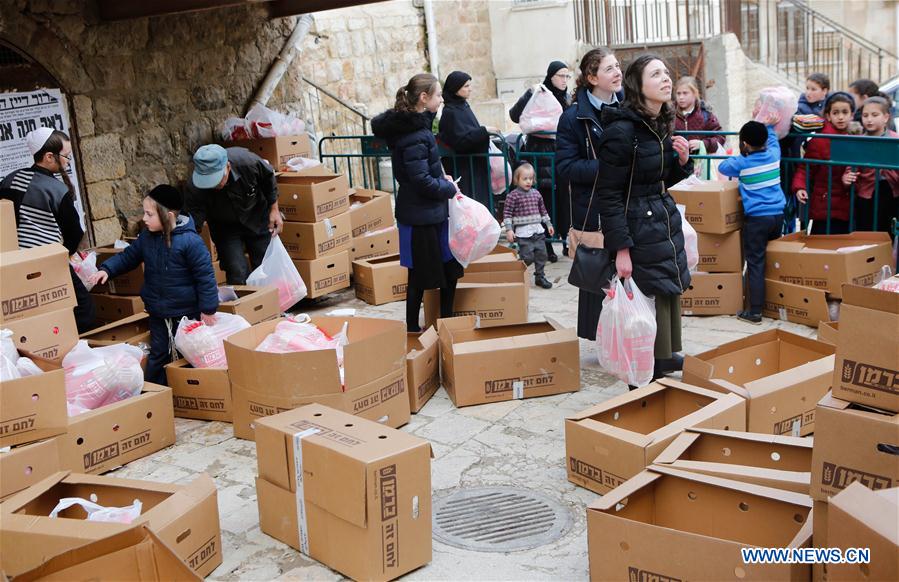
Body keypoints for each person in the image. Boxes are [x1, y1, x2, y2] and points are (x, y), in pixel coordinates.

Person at [593, 54, 693, 385]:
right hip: (636, 226)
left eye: (666, 72)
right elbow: (608, 194)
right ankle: (640, 374)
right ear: (639, 85)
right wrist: (621, 248)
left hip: (659, 220)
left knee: (664, 291)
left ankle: (661, 356)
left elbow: (659, 178)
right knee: (644, 296)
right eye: (656, 74)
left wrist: (681, 161)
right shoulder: (622, 132)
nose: (666, 79)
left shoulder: (660, 123)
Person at [90, 185, 218, 386]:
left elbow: (205, 277)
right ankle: (156, 392)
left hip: (186, 313)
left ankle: (192, 389)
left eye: (149, 214)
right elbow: (128, 257)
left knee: (190, 352)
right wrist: (106, 269)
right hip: (158, 312)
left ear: (167, 216)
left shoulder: (190, 242)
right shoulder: (146, 239)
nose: (144, 218)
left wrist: (208, 309)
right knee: (159, 353)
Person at [371, 74, 463, 332]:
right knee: (420, 277)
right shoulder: (414, 134)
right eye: (438, 95)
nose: (442, 99)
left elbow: (424, 171)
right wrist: (448, 187)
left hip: (430, 213)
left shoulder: (418, 127)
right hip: (421, 216)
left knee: (448, 271)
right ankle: (413, 328)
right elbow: (420, 180)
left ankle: (445, 323)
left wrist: (440, 176)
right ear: (424, 98)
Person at [555, 47, 624, 341]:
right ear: (593, 77)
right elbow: (566, 167)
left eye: (618, 66)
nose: (618, 72)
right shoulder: (573, 118)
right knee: (596, 274)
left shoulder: (627, 107)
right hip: (593, 207)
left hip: (624, 203)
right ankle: (598, 337)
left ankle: (626, 333)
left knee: (627, 270)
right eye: (610, 69)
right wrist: (606, 166)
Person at [0, 128, 95, 333]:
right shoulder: (56, 189)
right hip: (48, 262)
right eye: (66, 156)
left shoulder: (9, 179)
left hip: (13, 264)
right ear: (49, 157)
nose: (68, 161)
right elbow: (74, 232)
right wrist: (63, 254)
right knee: (83, 312)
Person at [718, 118, 786, 325]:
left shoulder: (742, 162)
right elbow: (773, 140)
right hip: (778, 216)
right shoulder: (774, 155)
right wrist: (769, 125)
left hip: (756, 220)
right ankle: (776, 303)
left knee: (756, 263)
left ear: (745, 143)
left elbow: (723, 166)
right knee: (773, 260)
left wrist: (743, 152)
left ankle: (755, 311)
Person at [184, 144, 283, 285]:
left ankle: (269, 304)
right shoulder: (195, 187)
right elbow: (194, 220)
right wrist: (187, 245)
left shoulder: (248, 163)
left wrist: (274, 209)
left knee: (265, 266)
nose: (215, 185)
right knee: (236, 270)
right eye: (209, 182)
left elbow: (268, 180)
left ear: (228, 167)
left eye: (218, 178)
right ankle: (244, 305)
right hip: (224, 227)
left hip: (256, 216)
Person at [510, 60, 572, 261]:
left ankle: (566, 243)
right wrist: (529, 94)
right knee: (543, 201)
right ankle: (547, 248)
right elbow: (515, 115)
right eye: (560, 76)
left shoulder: (567, 98)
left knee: (564, 201)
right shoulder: (538, 93)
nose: (564, 80)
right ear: (550, 76)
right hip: (540, 156)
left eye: (566, 76)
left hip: (560, 155)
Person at [792, 92, 856, 234]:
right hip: (825, 204)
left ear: (852, 114)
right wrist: (800, 187)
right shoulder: (821, 140)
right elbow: (805, 167)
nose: (840, 117)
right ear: (828, 116)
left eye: (845, 112)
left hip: (847, 205)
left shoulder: (856, 136)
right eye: (836, 113)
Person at [842, 96, 899, 232]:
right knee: (866, 230)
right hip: (866, 194)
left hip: (892, 193)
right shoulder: (859, 142)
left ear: (886, 117)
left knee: (889, 231)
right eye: (865, 115)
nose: (869, 119)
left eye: (874, 115)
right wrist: (846, 178)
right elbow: (850, 168)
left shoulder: (895, 140)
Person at [438, 71, 492, 207]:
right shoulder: (450, 112)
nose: (470, 89)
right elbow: (460, 141)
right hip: (463, 170)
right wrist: (484, 131)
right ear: (456, 88)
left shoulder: (463, 106)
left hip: (474, 167)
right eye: (466, 86)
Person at [503, 163, 554, 289]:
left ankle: (540, 277)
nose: (528, 181)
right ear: (517, 179)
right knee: (528, 257)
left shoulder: (536, 194)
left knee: (542, 255)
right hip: (523, 233)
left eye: (530, 179)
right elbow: (507, 214)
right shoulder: (513, 196)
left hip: (538, 231)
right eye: (525, 179)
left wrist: (548, 224)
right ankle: (518, 269)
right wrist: (509, 230)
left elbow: (543, 211)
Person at [673, 76, 725, 155]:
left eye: (685, 93)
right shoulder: (669, 115)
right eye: (678, 93)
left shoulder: (706, 115)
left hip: (700, 163)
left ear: (695, 94)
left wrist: (702, 144)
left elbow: (720, 138)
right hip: (676, 163)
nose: (681, 97)